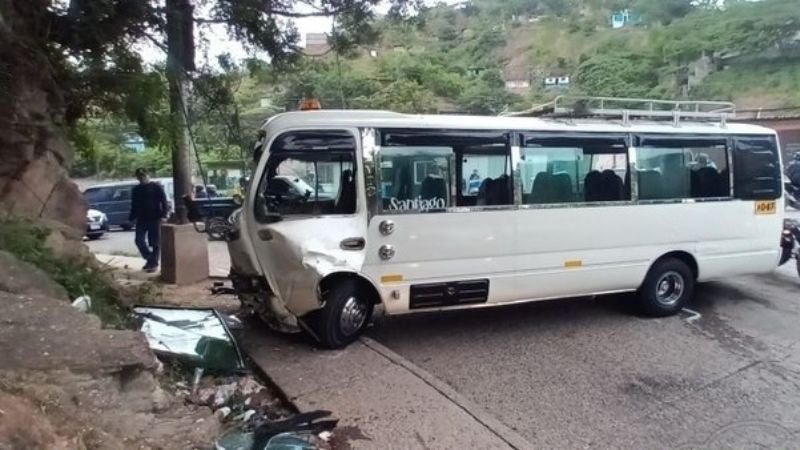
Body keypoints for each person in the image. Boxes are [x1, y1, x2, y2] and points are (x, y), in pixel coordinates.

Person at [129, 168, 168, 272]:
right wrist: (131, 217)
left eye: (144, 176)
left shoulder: (156, 187)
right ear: (137, 177)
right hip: (141, 218)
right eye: (140, 176)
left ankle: (153, 263)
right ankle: (151, 259)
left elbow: (164, 201)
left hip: (155, 217)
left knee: (154, 242)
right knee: (139, 240)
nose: (142, 178)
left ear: (148, 175)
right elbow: (134, 204)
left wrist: (164, 215)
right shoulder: (136, 189)